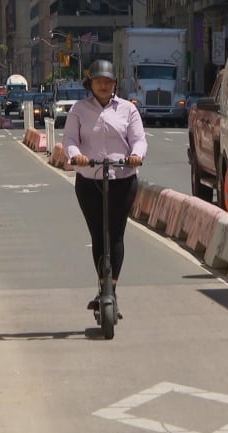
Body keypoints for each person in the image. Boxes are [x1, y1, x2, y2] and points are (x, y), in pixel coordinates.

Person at [65, 59, 147, 314]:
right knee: (99, 235)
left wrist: (136, 155)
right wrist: (76, 155)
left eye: (108, 81)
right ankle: (102, 288)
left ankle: (111, 288)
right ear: (90, 83)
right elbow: (70, 138)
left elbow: (139, 139)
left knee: (116, 234)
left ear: (114, 84)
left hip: (122, 179)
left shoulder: (128, 110)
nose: (103, 85)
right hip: (89, 179)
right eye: (99, 81)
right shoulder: (78, 109)